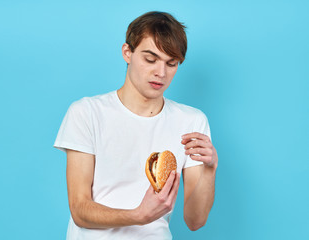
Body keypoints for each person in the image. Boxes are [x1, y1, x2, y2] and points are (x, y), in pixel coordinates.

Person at [54, 11, 218, 240]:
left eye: (171, 64)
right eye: (150, 59)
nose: (160, 73)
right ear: (127, 53)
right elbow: (80, 209)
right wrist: (138, 215)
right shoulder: (86, 112)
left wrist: (210, 170)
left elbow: (195, 221)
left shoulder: (191, 121)